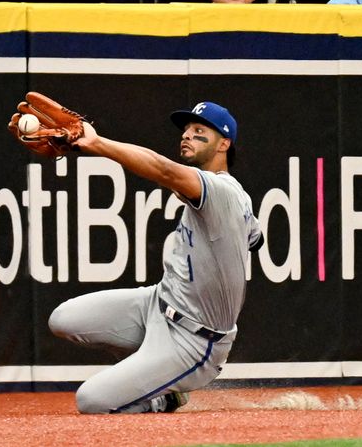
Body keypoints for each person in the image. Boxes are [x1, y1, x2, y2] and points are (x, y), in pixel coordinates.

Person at [48, 101, 265, 413]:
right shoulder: (232, 197)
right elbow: (256, 240)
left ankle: (165, 395)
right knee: (63, 320)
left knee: (91, 401)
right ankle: (151, 371)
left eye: (199, 131)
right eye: (187, 130)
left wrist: (96, 143)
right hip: (156, 304)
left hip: (194, 342)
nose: (187, 135)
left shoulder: (220, 191)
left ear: (225, 143)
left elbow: (163, 169)